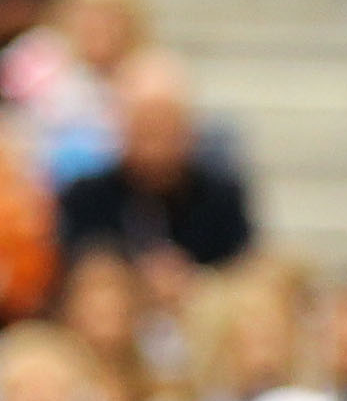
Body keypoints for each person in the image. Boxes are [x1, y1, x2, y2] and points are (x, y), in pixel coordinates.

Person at [52, 53, 255, 272]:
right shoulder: (86, 200)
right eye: (144, 131)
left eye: (165, 130)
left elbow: (241, 270)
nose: (154, 150)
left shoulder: (221, 198)